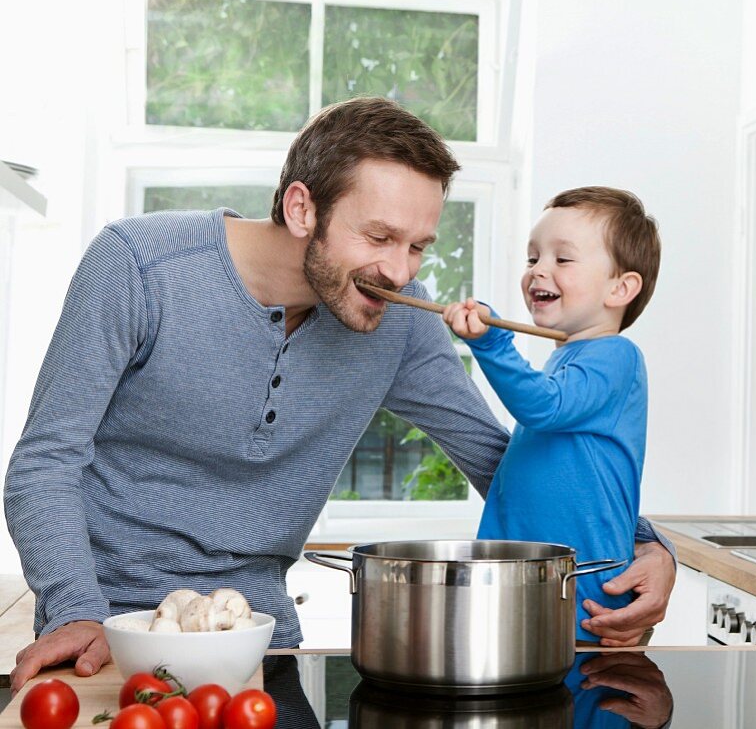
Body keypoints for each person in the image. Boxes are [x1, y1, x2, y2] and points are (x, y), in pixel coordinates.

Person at [3, 97, 676, 692]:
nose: (401, 270)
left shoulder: (401, 321)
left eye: (418, 247)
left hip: (262, 644)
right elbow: (44, 462)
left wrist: (644, 549)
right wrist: (73, 609)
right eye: (380, 237)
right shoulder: (138, 266)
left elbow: (504, 460)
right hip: (109, 632)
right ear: (302, 208)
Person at [442, 186, 659, 642]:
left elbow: (544, 405)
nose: (539, 270)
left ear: (620, 288)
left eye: (563, 259)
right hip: (529, 589)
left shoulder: (616, 357)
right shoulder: (565, 360)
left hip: (584, 597)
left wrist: (491, 343)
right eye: (532, 258)